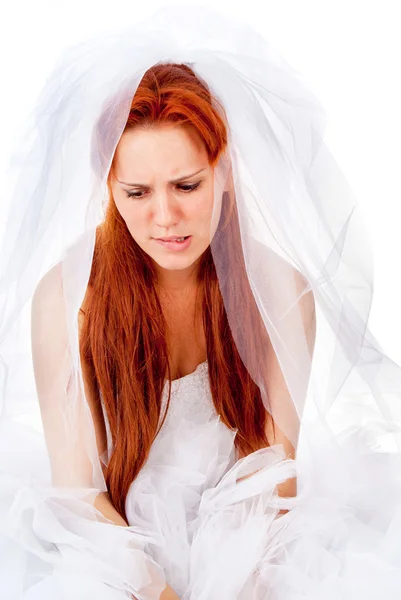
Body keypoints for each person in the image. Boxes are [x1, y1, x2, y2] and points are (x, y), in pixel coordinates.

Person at [1, 6, 401, 599]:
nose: (165, 218)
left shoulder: (281, 293)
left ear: (225, 170)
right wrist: (159, 591)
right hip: (112, 543)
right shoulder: (67, 302)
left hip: (250, 537)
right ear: (107, 189)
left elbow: (275, 483)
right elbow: (79, 495)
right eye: (136, 192)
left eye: (187, 185)